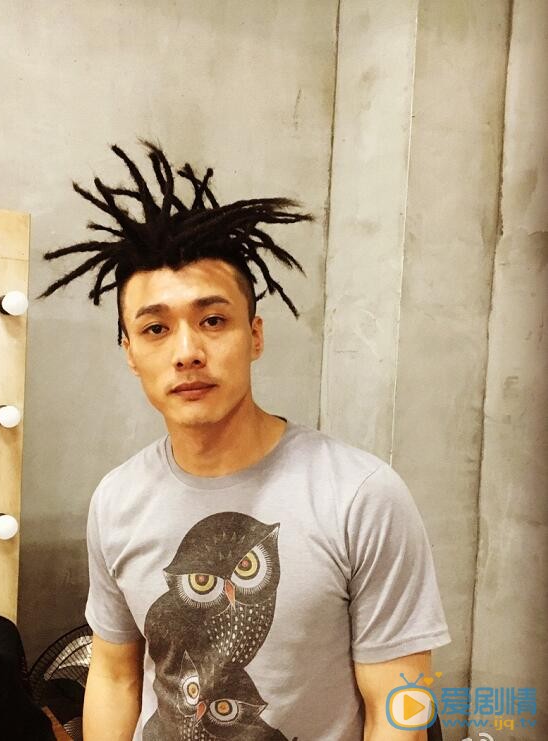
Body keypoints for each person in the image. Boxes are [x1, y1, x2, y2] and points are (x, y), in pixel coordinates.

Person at [41, 142, 451, 741]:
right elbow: (114, 676)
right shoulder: (116, 499)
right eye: (155, 328)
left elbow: (400, 702)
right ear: (129, 351)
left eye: (213, 320)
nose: (187, 351)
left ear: (254, 335)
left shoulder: (360, 496)